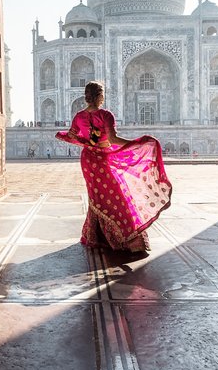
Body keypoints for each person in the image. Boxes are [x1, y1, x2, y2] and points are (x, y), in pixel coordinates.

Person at [56, 81, 172, 253]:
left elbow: (72, 136)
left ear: (87, 96)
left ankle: (97, 236)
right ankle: (124, 237)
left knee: (97, 197)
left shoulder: (79, 116)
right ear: (100, 96)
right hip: (102, 158)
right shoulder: (105, 115)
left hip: (88, 159)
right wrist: (135, 143)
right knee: (116, 194)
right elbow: (113, 139)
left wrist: (87, 143)